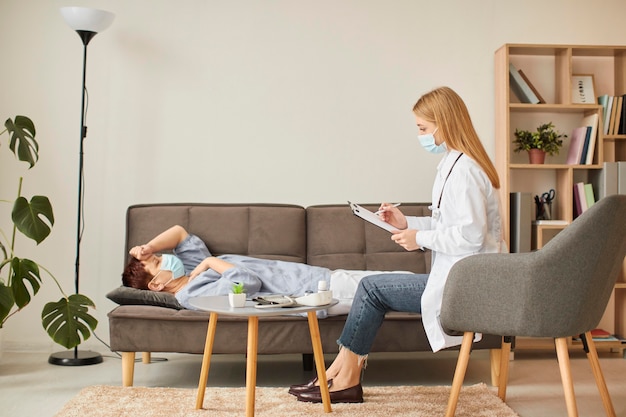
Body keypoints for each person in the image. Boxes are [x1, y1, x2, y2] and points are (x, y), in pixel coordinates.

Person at [289, 86, 505, 404]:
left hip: (464, 287)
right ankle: (338, 372)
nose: (420, 136)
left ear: (444, 123)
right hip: (455, 279)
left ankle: (343, 376)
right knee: (371, 288)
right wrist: (407, 224)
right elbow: (450, 226)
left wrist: (419, 239)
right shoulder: (452, 165)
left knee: (372, 289)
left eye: (423, 128)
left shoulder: (466, 172)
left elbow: (470, 237)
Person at [122, 224, 406, 314]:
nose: (166, 258)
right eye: (158, 262)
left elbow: (179, 232)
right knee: (400, 288)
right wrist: (210, 262)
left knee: (402, 282)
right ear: (156, 284)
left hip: (319, 277)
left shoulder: (191, 270)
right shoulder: (192, 293)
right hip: (310, 293)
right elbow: (245, 282)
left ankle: (448, 292)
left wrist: (147, 248)